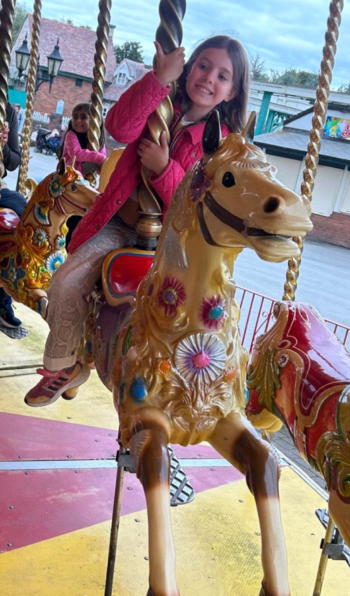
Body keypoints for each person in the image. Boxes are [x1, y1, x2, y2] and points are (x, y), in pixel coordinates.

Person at [25, 35, 250, 407]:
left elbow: (200, 202)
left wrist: (164, 169)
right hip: (117, 224)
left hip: (171, 242)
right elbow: (119, 127)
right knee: (65, 282)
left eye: (223, 76)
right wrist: (158, 79)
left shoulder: (221, 144)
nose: (209, 78)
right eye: (204, 65)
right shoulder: (159, 101)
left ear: (232, 92)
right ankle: (66, 364)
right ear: (188, 66)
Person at [58, 103, 106, 244]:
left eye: (83, 117)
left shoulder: (97, 141)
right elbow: (76, 153)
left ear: (94, 121)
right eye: (75, 117)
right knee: (72, 219)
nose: (78, 121)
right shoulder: (71, 135)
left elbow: (101, 167)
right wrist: (98, 158)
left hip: (84, 186)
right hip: (69, 184)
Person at [0, 103, 25, 329]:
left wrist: (4, 145)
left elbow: (14, 161)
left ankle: (2, 298)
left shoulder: (6, 110)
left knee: (26, 218)